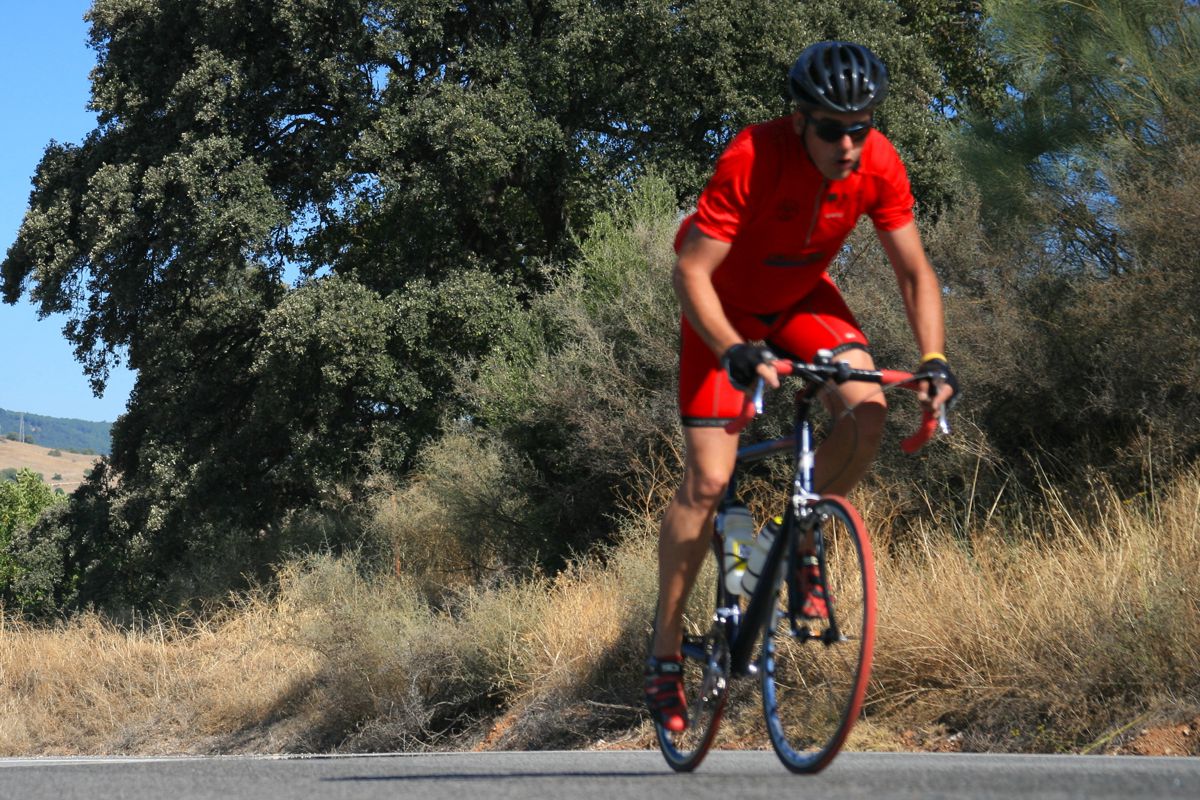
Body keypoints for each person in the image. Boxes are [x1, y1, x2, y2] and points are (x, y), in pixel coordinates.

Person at [644, 41, 960, 733]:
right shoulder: (750, 159)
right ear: (799, 121)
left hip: (801, 301)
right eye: (830, 129)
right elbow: (690, 273)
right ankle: (665, 655)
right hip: (722, 313)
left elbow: (914, 273)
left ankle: (804, 538)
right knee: (707, 481)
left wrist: (933, 359)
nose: (847, 144)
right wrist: (731, 348)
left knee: (868, 409)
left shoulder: (878, 162)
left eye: (861, 126)